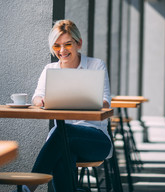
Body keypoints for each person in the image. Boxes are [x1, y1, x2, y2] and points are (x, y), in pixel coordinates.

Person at [28, 20, 113, 192]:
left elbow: (105, 102)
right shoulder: (50, 69)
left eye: (68, 44)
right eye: (57, 46)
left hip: (95, 140)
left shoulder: (95, 65)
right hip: (63, 141)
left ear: (78, 43)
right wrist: (42, 101)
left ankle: (27, 188)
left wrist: (79, 100)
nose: (62, 50)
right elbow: (36, 97)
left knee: (62, 134)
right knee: (63, 152)